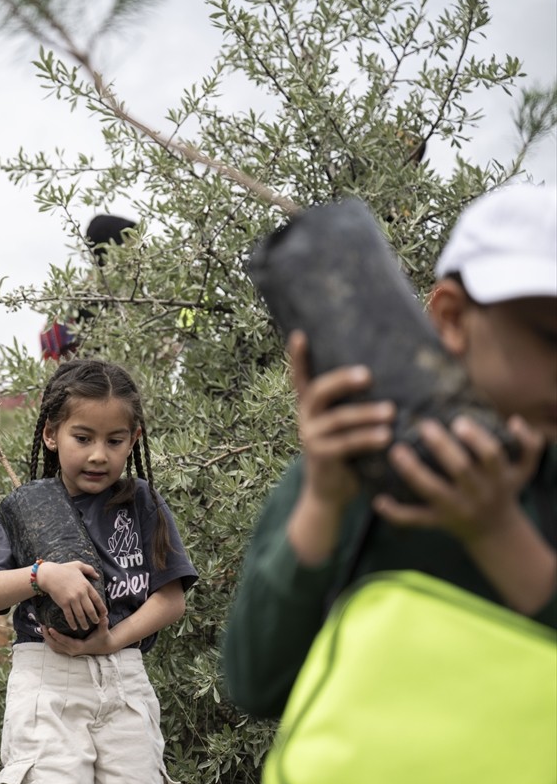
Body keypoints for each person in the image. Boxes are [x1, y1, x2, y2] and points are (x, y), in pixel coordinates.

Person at [223, 183, 557, 718]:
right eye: (551, 337)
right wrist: (324, 503)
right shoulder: (345, 476)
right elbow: (256, 683)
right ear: (450, 317)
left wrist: (498, 532)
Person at [0, 358, 199, 784]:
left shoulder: (143, 503)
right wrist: (42, 575)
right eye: (83, 437)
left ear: (133, 440)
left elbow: (171, 598)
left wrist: (111, 640)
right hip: (48, 678)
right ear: (51, 434)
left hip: (125, 678)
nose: (99, 454)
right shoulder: (28, 508)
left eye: (115, 440)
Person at [40, 214, 137, 360]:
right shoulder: (85, 299)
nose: (138, 250)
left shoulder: (135, 293)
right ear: (112, 248)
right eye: (130, 242)